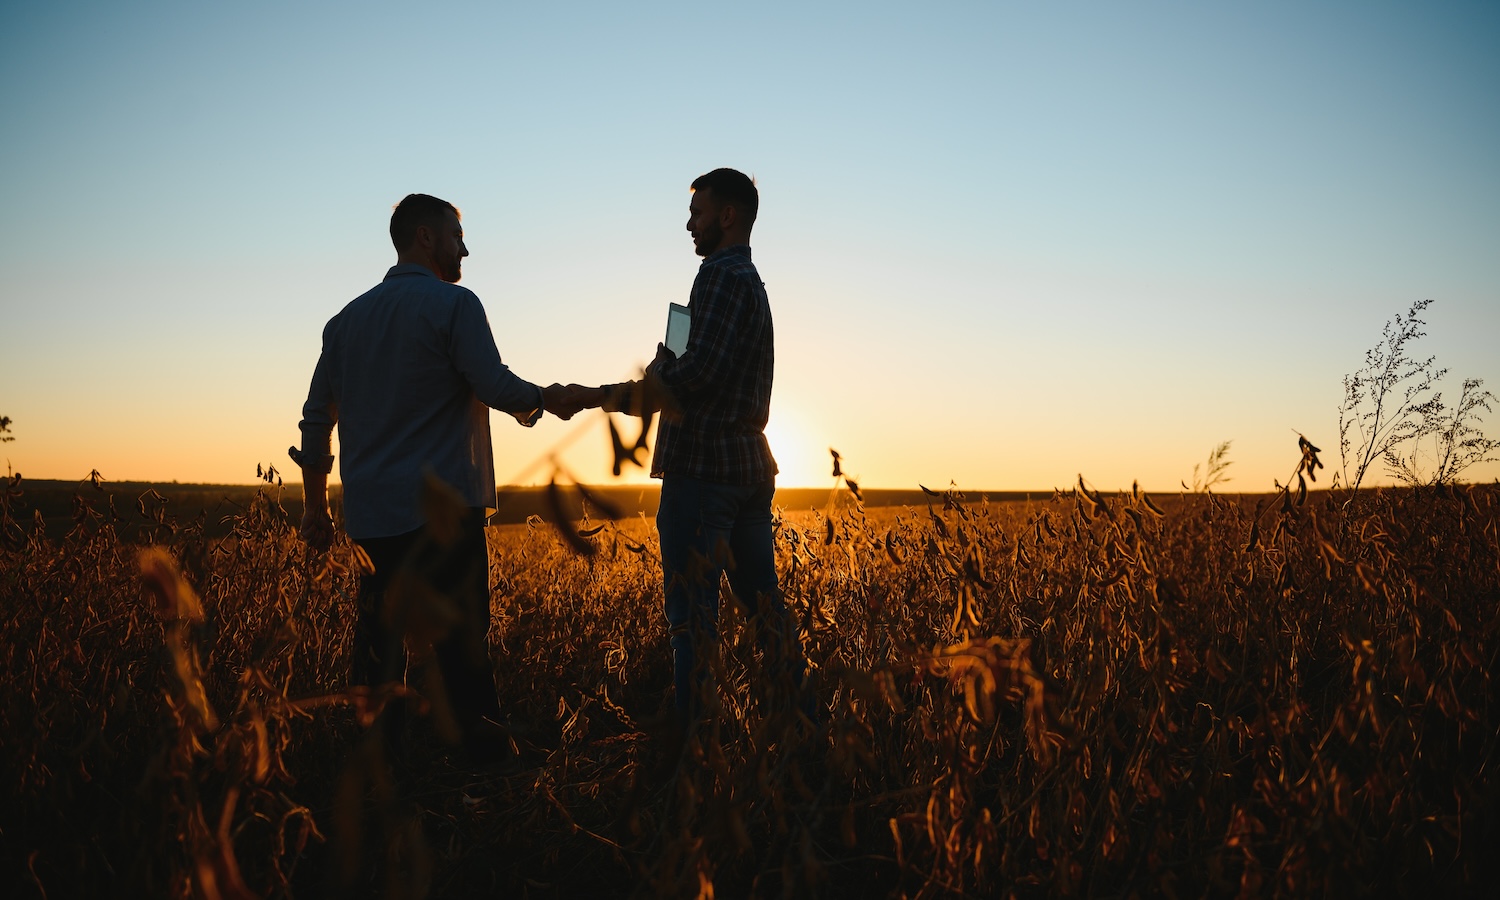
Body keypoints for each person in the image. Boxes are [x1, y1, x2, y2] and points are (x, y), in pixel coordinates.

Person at [293, 193, 578, 761]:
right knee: (462, 649)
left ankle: (378, 774)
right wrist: (550, 399)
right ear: (425, 238)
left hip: (374, 518)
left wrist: (315, 509)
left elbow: (314, 421)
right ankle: (482, 776)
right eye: (456, 235)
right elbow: (495, 386)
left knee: (379, 651)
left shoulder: (344, 322)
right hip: (445, 516)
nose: (464, 248)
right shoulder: (454, 305)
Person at [570, 169, 806, 721]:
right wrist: (663, 362)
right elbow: (683, 359)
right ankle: (803, 726)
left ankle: (696, 750)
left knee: (693, 620)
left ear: (727, 216)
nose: (688, 224)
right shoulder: (748, 283)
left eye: (697, 212)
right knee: (764, 608)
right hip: (746, 467)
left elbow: (698, 371)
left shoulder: (719, 276)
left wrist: (611, 395)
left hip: (704, 471)